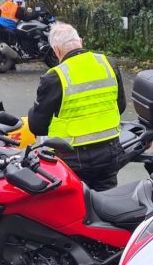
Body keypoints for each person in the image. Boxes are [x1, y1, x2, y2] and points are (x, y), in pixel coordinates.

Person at [29, 22, 126, 191]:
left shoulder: (54, 77)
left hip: (73, 159)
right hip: (110, 152)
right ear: (80, 41)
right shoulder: (108, 64)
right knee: (108, 205)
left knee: (76, 208)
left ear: (56, 50)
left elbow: (38, 126)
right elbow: (121, 105)